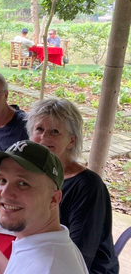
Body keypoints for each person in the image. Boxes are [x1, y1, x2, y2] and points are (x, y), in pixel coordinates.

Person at [0, 140, 89, 274]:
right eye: (2, 180)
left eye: (23, 183)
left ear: (53, 199)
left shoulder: (48, 268)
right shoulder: (49, 243)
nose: (5, 193)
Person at [26, 98, 119, 274]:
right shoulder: (37, 173)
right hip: (46, 253)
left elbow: (79, 256)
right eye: (39, 129)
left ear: (71, 141)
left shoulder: (88, 187)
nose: (44, 137)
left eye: (55, 131)